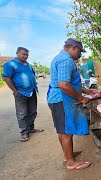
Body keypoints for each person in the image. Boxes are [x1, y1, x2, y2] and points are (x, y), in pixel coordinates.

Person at [47, 38, 93, 170]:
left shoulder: (61, 57)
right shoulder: (65, 60)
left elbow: (69, 82)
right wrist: (81, 97)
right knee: (67, 132)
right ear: (73, 47)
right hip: (61, 100)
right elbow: (63, 85)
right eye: (80, 51)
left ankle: (68, 155)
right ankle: (71, 162)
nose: (80, 55)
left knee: (62, 130)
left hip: (57, 99)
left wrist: (85, 90)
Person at [2, 47, 43, 142]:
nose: (25, 56)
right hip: (21, 92)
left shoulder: (28, 64)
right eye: (23, 54)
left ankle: (31, 128)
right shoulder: (10, 64)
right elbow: (7, 78)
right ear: (17, 53)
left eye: (27, 55)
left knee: (33, 111)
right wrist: (15, 91)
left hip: (32, 91)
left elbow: (32, 74)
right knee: (22, 114)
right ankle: (24, 132)